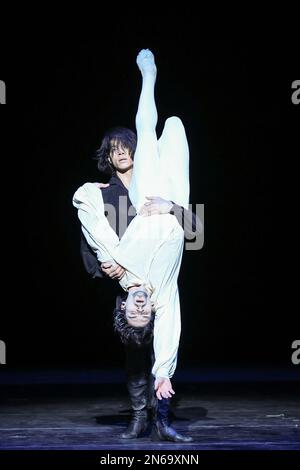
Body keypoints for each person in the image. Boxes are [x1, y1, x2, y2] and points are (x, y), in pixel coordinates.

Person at [73, 49, 202, 442]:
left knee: (151, 131)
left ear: (125, 304)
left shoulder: (121, 263)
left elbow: (91, 223)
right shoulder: (163, 298)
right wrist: (164, 370)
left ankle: (149, 75)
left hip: (151, 195)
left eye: (135, 310)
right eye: (113, 152)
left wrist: (105, 256)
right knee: (177, 125)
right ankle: (150, 413)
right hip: (173, 196)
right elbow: (170, 327)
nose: (142, 307)